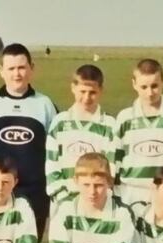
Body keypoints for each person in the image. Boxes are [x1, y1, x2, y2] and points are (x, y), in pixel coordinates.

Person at [0, 43, 57, 237]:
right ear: (1, 71)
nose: (17, 74)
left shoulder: (45, 105)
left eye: (22, 67)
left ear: (32, 68)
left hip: (34, 194)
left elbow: (55, 152)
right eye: (11, 68)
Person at [114, 59, 163, 207]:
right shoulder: (125, 118)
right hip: (130, 191)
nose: (149, 93)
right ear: (134, 84)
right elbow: (116, 158)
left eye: (154, 86)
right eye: (144, 87)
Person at [45, 64, 117, 207]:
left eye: (92, 92)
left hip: (96, 202)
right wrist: (63, 197)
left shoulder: (110, 125)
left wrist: (97, 197)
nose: (86, 98)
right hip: (63, 202)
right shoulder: (60, 122)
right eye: (82, 91)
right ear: (73, 88)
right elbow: (52, 165)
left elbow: (111, 168)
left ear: (101, 90)